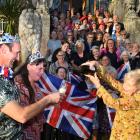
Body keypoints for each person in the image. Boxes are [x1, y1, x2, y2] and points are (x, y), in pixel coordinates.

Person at [0, 33, 63, 139]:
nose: (18, 58)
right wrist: (47, 99)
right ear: (4, 50)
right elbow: (22, 115)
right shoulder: (13, 83)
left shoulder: (7, 78)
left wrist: (49, 102)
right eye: (16, 53)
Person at [83, 60, 140, 140]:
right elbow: (114, 82)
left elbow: (112, 102)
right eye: (125, 83)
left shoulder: (136, 100)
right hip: (119, 133)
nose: (124, 86)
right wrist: (97, 65)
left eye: (128, 85)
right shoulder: (130, 91)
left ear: (137, 87)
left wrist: (98, 86)